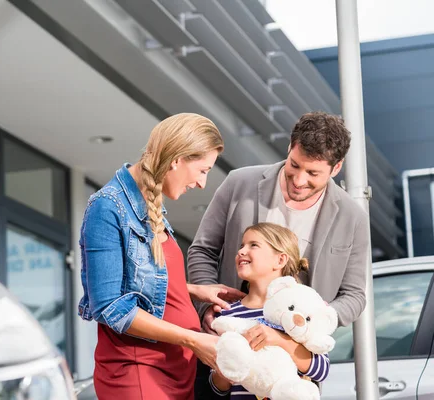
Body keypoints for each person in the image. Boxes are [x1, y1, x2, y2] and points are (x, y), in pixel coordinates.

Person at [188, 111, 369, 397]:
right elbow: (203, 250)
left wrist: (314, 321)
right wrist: (207, 308)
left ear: (336, 169)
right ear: (289, 147)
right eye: (294, 165)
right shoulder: (239, 183)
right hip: (223, 347)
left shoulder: (353, 217)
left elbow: (355, 295)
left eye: (312, 173)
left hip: (295, 364)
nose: (298, 180)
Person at [78, 113, 243, 400]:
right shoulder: (107, 208)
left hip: (174, 370)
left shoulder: (149, 203)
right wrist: (193, 339)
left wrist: (190, 290)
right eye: (203, 170)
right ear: (177, 159)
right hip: (139, 372)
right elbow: (109, 306)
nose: (203, 183)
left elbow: (139, 281)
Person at [208, 223, 330, 398]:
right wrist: (228, 365)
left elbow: (322, 370)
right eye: (241, 246)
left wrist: (279, 340)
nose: (241, 251)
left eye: (253, 245)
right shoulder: (226, 314)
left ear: (280, 260)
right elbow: (218, 388)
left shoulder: (301, 309)